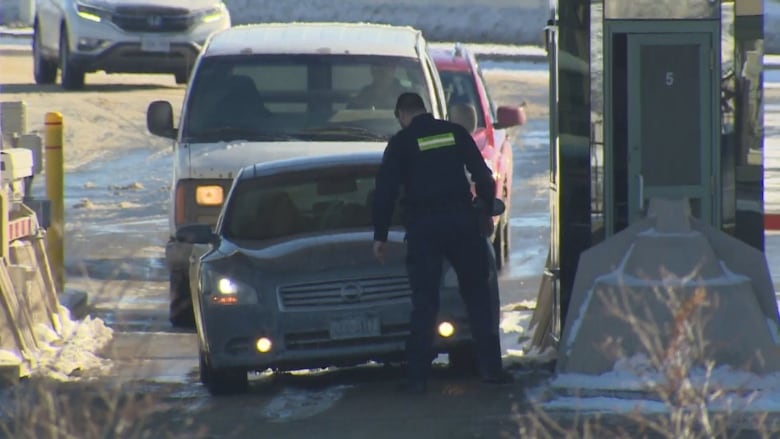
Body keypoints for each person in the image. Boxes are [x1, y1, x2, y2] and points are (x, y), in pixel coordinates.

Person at [372, 92, 512, 394]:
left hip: (424, 229)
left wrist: (380, 236)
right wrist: (486, 208)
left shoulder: (401, 143)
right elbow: (483, 175)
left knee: (425, 303)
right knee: (478, 298)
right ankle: (491, 370)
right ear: (425, 110)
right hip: (462, 223)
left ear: (401, 114)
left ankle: (417, 378)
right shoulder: (454, 132)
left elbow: (384, 192)